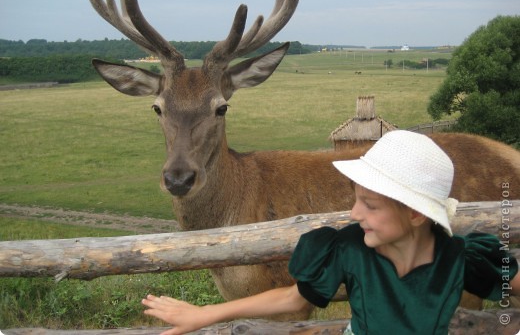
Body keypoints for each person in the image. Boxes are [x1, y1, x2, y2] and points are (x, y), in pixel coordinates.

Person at [142, 130, 520, 335]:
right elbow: (291, 299)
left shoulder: (463, 258)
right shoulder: (351, 250)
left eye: (370, 206)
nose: (353, 213)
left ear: (417, 214)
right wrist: (204, 314)